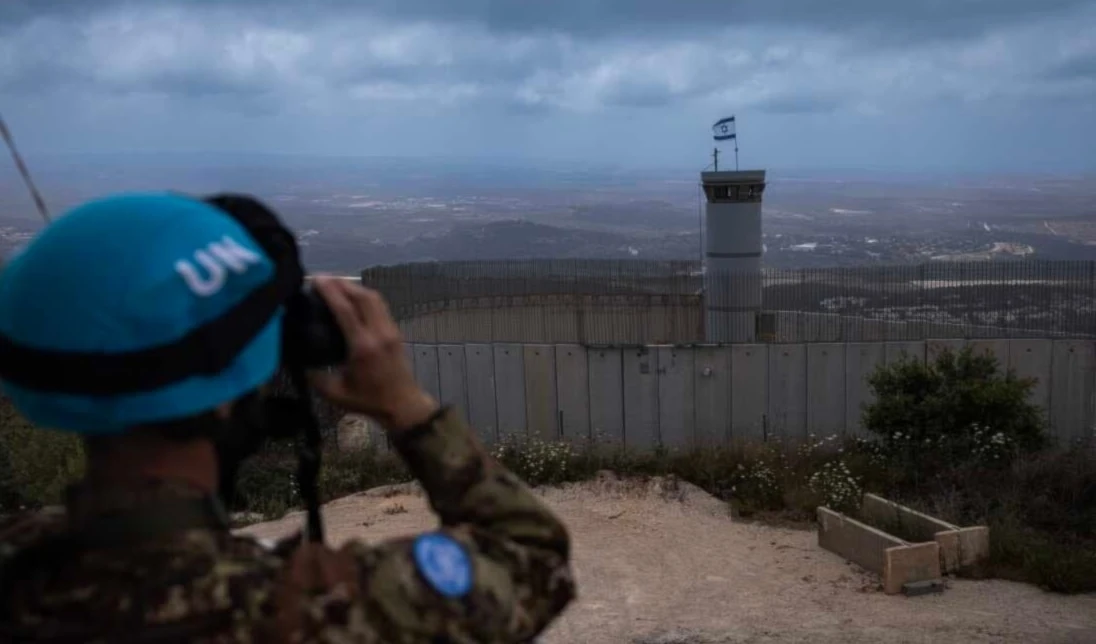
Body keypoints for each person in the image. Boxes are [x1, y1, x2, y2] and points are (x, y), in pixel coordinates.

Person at [0, 193, 575, 642]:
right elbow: (531, 557)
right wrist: (407, 407)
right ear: (231, 391)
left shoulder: (21, 563)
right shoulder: (298, 613)